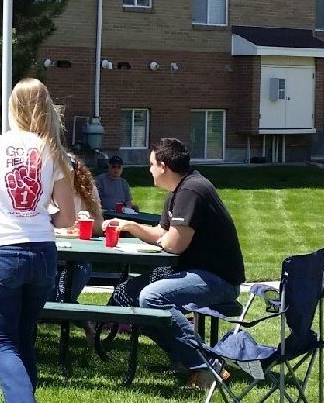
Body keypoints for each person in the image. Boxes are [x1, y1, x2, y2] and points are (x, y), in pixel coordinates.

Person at [0, 78, 76, 403]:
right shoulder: (55, 152)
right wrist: (45, 220)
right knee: (24, 336)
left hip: (0, 250)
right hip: (42, 253)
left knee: (2, 342)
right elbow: (68, 218)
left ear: (13, 108)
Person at [105, 137, 245, 390]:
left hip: (218, 278)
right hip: (195, 272)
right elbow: (163, 233)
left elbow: (175, 244)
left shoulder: (192, 190)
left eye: (151, 164)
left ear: (163, 166)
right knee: (130, 293)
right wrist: (132, 227)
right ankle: (185, 360)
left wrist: (163, 238)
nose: (149, 170)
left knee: (152, 297)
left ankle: (207, 365)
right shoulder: (178, 191)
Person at [55, 154, 104, 303]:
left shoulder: (87, 189)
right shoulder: (45, 187)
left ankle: (67, 307)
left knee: (79, 271)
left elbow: (100, 226)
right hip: (50, 252)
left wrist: (87, 223)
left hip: (78, 254)